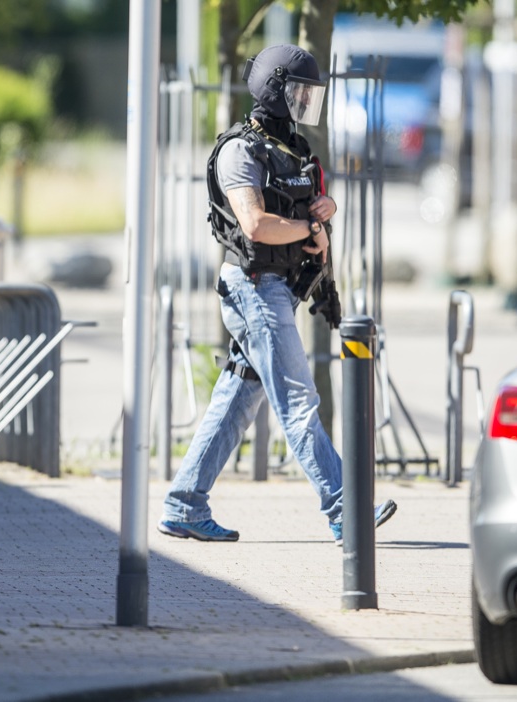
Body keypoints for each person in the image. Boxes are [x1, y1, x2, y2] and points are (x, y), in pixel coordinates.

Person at [158, 44, 396, 544]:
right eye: (299, 93)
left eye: (312, 95)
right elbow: (256, 224)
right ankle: (343, 510)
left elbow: (301, 211)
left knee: (235, 401)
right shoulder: (239, 151)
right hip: (253, 287)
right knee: (298, 400)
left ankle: (184, 504)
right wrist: (308, 222)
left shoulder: (293, 149)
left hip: (280, 290)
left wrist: (322, 210)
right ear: (274, 90)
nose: (307, 102)